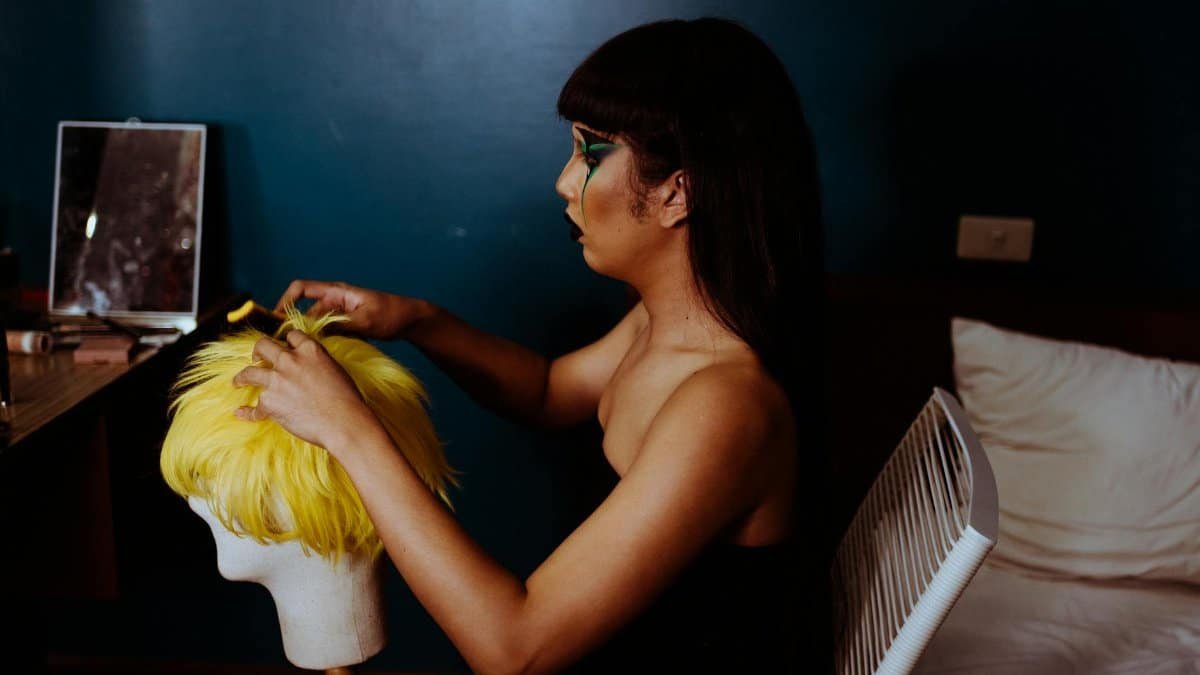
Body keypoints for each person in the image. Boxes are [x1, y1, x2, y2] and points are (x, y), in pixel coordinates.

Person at [232, 17, 829, 674]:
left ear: (676, 192)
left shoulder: (724, 405)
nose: (564, 181)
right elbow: (550, 391)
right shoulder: (669, 324)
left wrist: (349, 428)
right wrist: (417, 320)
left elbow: (515, 648)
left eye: (592, 154)